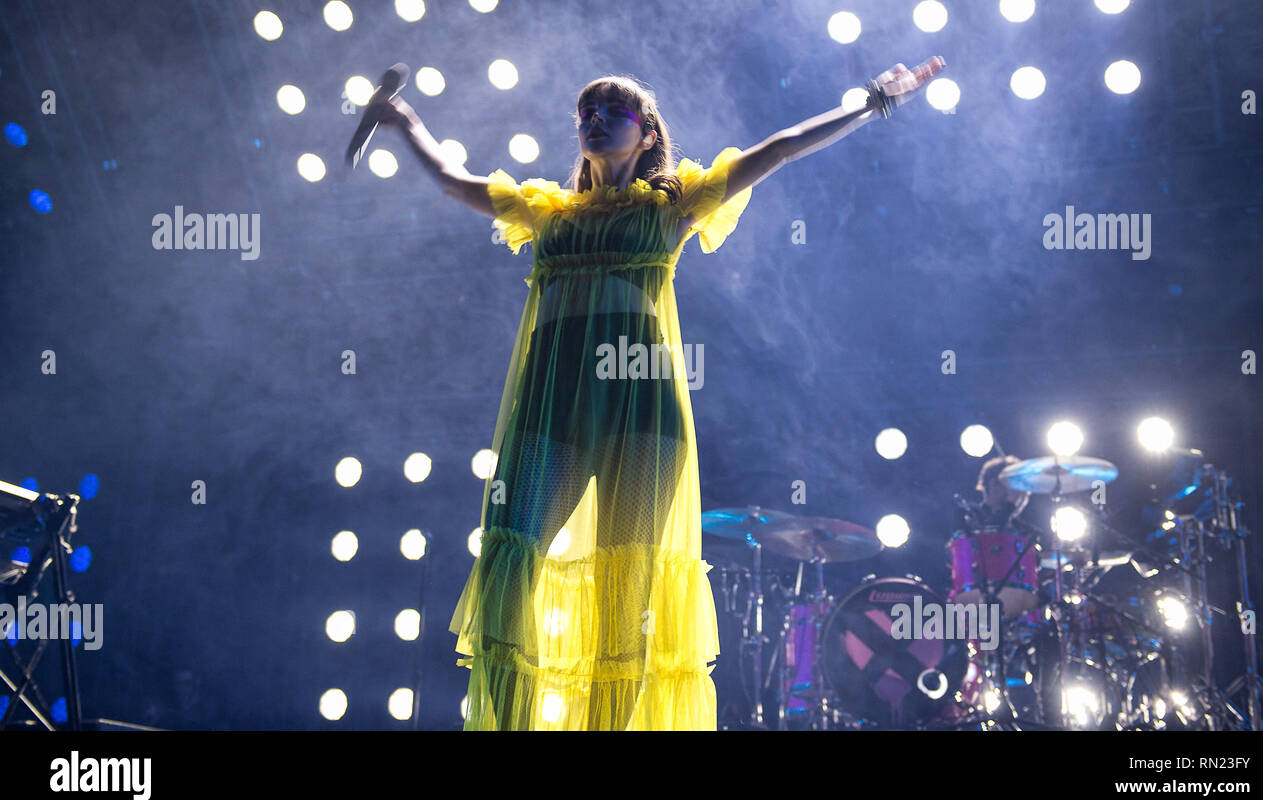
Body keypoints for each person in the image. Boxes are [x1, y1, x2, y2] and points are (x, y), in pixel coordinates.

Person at [361, 60, 943, 730]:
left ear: (646, 134)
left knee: (626, 590)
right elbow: (451, 182)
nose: (597, 118)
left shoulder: (672, 204)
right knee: (510, 555)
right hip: (550, 411)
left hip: (640, 415)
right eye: (587, 110)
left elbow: (779, 148)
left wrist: (873, 103)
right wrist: (403, 121)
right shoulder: (546, 212)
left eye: (616, 109)